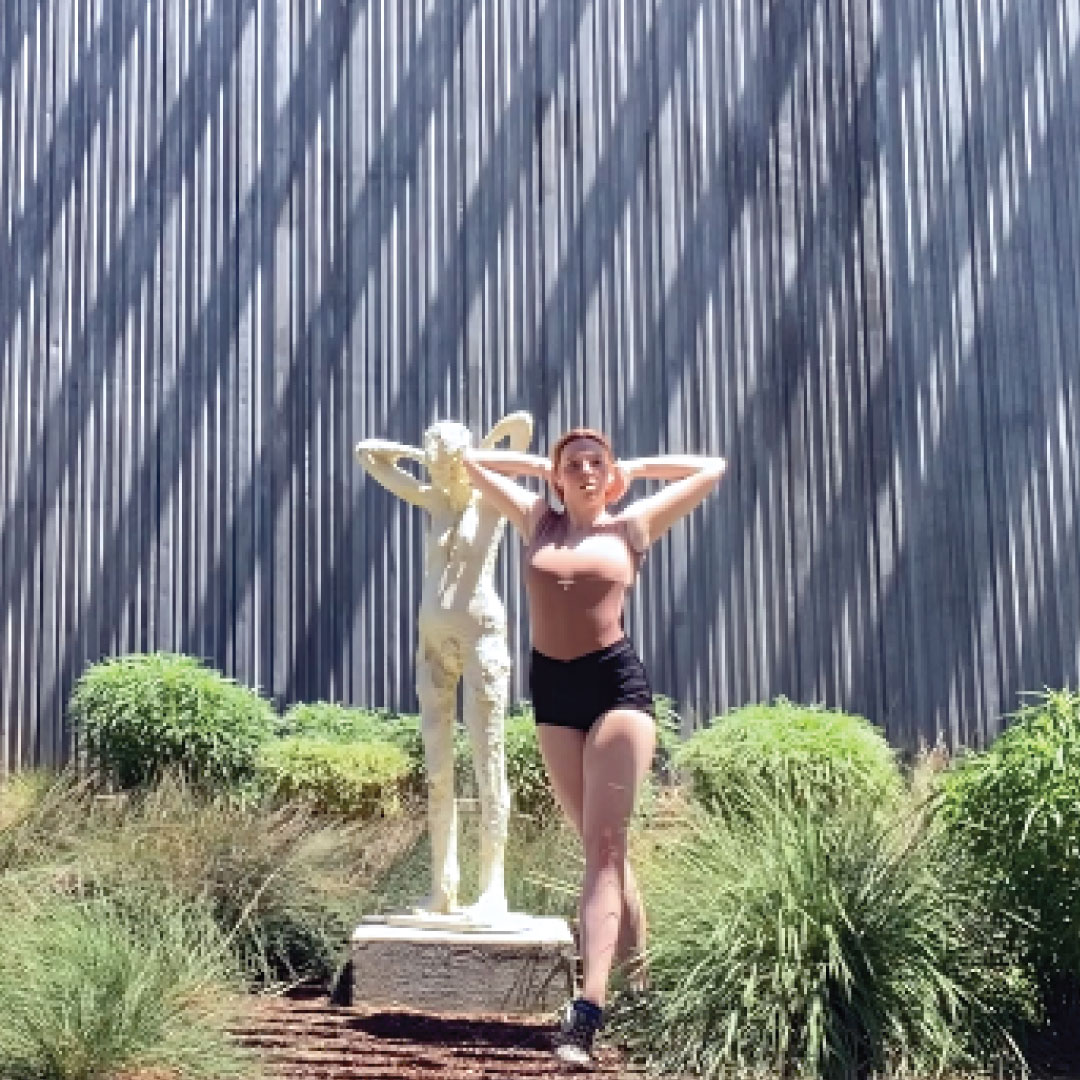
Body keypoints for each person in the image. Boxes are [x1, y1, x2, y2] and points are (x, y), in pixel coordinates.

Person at [462, 427, 727, 1066]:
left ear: (608, 474)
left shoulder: (630, 527)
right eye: (573, 464)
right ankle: (645, 988)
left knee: (605, 850)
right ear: (556, 478)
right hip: (552, 695)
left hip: (616, 690)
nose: (585, 472)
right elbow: (472, 463)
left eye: (595, 463)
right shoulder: (535, 519)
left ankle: (588, 1010)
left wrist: (632, 467)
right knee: (601, 850)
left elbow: (711, 467)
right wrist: (542, 467)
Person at [354, 411, 534, 923]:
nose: (434, 467)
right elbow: (368, 454)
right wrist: (417, 452)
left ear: (461, 459)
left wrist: (479, 453)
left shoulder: (495, 499)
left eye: (441, 458)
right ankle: (443, 886)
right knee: (438, 770)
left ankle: (493, 888)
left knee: (487, 761)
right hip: (432, 640)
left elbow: (521, 430)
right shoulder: (431, 500)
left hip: (481, 637)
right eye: (430, 459)